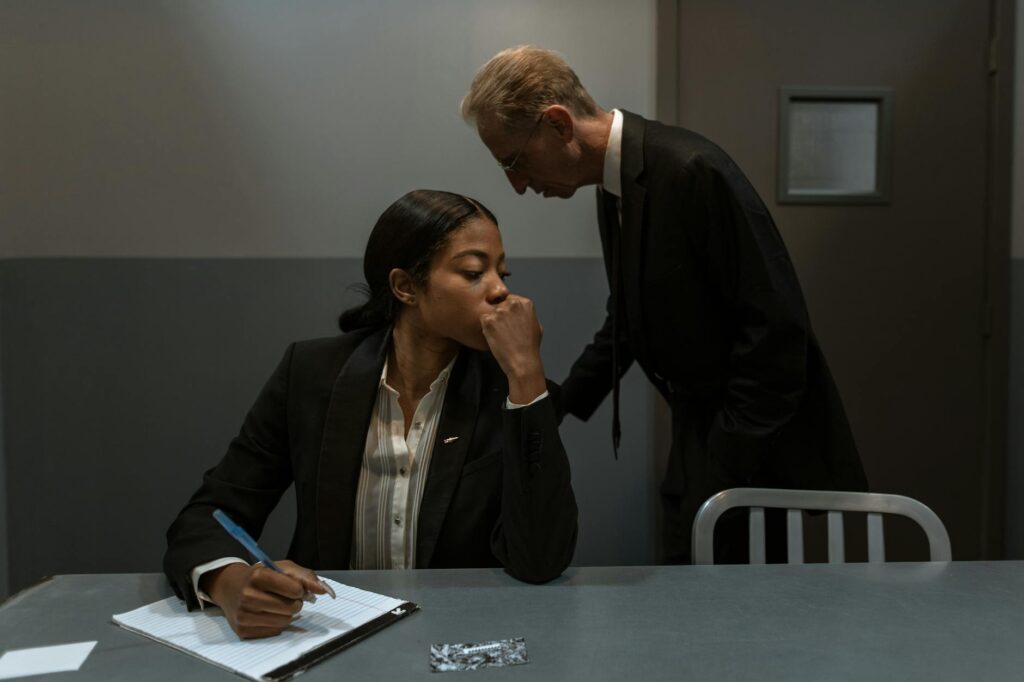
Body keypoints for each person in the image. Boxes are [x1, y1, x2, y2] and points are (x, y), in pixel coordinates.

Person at [461, 46, 867, 564]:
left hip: (751, 447)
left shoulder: (691, 171)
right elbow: (627, 319)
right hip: (703, 433)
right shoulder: (616, 184)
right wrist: (550, 405)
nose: (518, 185)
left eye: (515, 162)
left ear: (559, 125)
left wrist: (726, 458)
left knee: (742, 621)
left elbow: (777, 331)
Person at [164, 189, 578, 638]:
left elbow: (541, 560)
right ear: (405, 287)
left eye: (503, 271)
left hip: (462, 638)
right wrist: (229, 582)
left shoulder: (516, 395)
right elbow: (209, 514)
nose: (501, 290)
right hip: (332, 635)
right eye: (474, 272)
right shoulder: (311, 375)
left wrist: (525, 374)